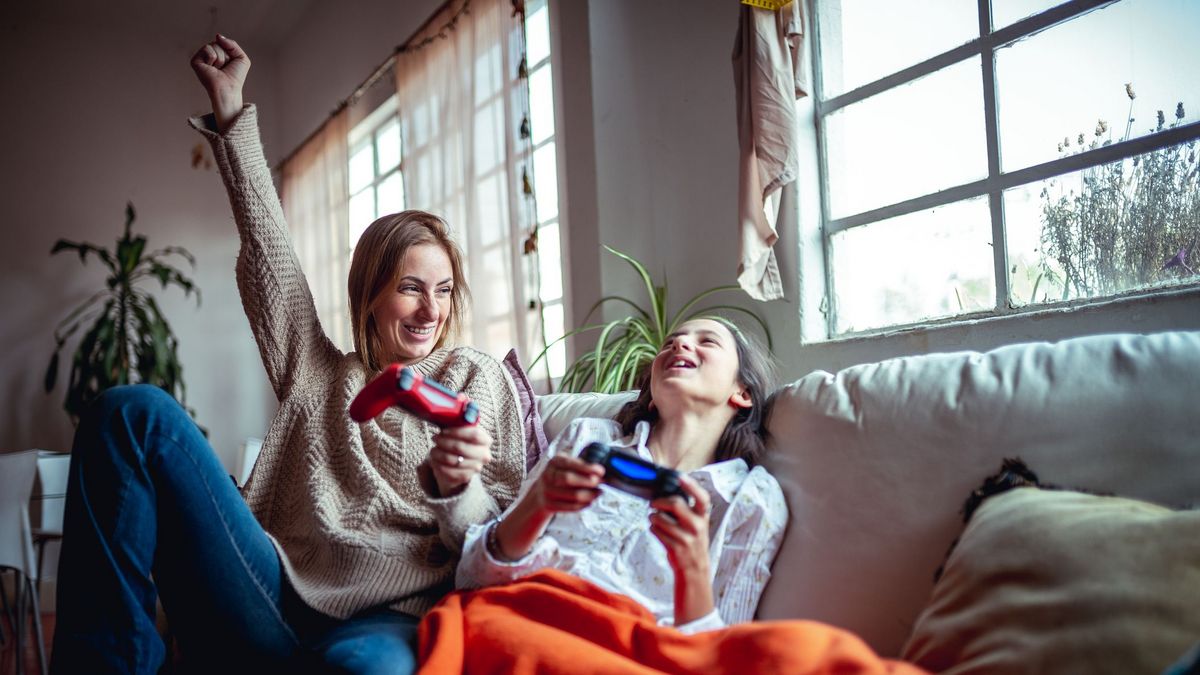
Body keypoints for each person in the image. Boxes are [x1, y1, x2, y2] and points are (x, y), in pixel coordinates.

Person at [50, 35, 525, 675]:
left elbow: (494, 540)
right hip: (266, 590)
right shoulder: (321, 373)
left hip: (390, 614)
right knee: (129, 412)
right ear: (371, 296)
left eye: (442, 291)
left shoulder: (476, 378)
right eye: (410, 288)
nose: (429, 310)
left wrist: (458, 484)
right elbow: (271, 255)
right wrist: (230, 109)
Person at [456, 316, 787, 629]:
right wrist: (535, 507)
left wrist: (694, 571)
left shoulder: (752, 499)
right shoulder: (588, 438)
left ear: (742, 392)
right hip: (521, 619)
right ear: (653, 398)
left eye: (708, 341)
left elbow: (723, 657)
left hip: (629, 651)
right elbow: (471, 577)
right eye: (671, 341)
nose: (680, 343)